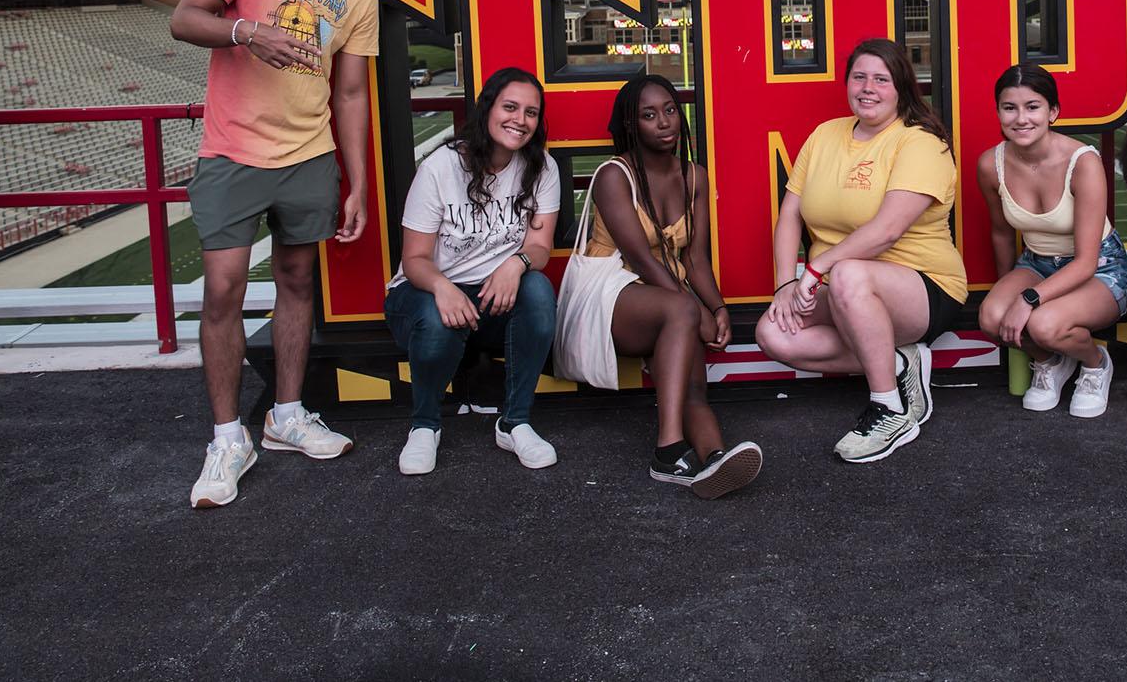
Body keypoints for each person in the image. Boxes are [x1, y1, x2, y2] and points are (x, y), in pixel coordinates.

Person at [171, 0, 387, 508]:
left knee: (298, 281)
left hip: (309, 153)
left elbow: (350, 94)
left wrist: (359, 180)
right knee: (224, 290)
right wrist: (247, 33)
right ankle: (226, 437)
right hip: (233, 150)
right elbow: (184, 18)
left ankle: (287, 415)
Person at [756, 38, 966, 463]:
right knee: (772, 332)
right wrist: (784, 284)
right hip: (842, 287)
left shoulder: (920, 142)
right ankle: (899, 363)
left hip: (924, 287)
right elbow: (790, 215)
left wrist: (815, 269)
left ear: (902, 88)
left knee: (851, 271)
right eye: (859, 77)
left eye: (881, 79)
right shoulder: (824, 135)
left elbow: (887, 231)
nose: (868, 88)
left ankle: (890, 407)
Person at [585, 74, 762, 499]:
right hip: (613, 299)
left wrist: (718, 308)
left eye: (669, 110)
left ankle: (715, 458)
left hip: (667, 303)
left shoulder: (694, 177)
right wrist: (695, 311)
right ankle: (667, 452)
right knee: (681, 311)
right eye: (649, 115)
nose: (664, 122)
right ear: (632, 125)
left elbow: (694, 259)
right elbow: (643, 260)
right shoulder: (614, 175)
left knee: (693, 389)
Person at [383, 68, 560, 475]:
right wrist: (443, 288)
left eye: (531, 112)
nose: (521, 119)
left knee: (537, 292)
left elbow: (539, 246)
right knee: (435, 316)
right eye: (510, 107)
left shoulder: (541, 168)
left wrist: (515, 265)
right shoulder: (442, 167)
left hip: (492, 295)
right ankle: (424, 425)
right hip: (424, 292)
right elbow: (414, 260)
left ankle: (514, 421)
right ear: (488, 109)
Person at [975, 65, 1127, 419]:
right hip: (1036, 262)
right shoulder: (990, 164)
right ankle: (1050, 362)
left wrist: (1027, 300)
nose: (1020, 118)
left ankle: (1095, 364)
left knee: (1043, 323)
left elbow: (1086, 262)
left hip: (1099, 268)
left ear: (1053, 112)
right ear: (998, 111)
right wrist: (1008, 289)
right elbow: (1001, 231)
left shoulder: (1083, 163)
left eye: (1032, 107)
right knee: (991, 316)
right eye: (1009, 107)